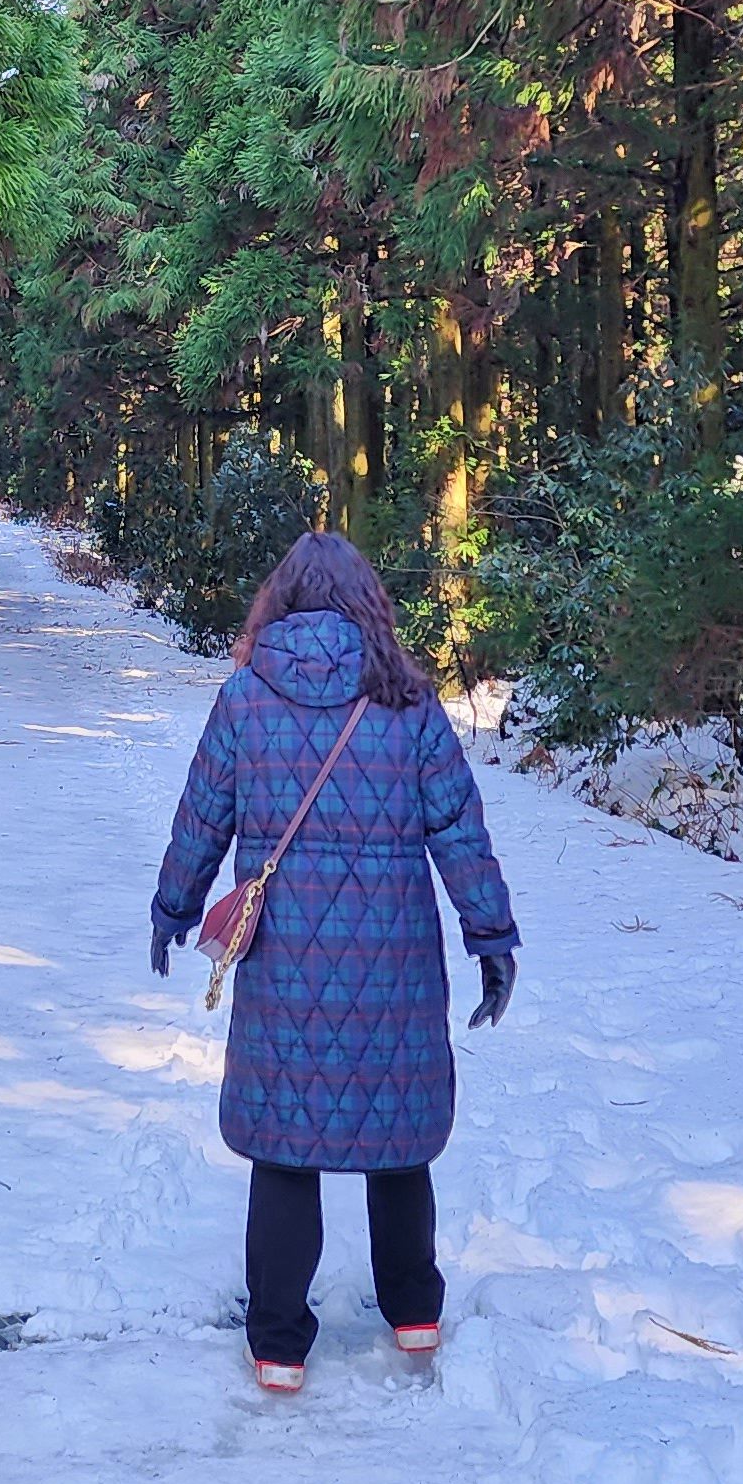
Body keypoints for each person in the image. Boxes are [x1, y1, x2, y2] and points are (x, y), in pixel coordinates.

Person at [149, 530, 518, 1392]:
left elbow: (202, 815)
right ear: (368, 605)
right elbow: (459, 831)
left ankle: (278, 1344)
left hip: (285, 963)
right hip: (394, 961)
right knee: (399, 1136)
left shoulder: (245, 697)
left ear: (279, 602)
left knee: (286, 1143)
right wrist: (491, 935)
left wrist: (174, 907)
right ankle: (415, 1312)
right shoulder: (408, 701)